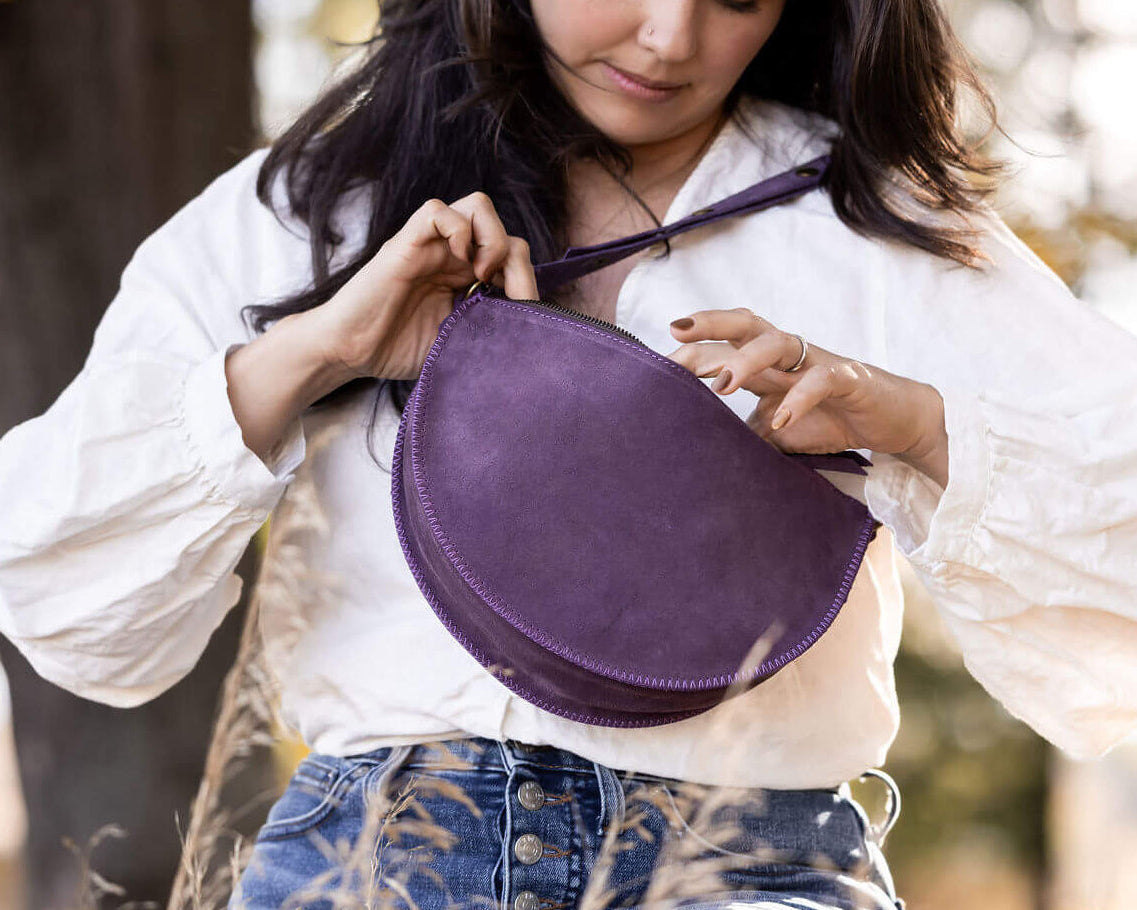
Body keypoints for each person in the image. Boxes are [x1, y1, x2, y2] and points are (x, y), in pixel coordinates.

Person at [2, 0, 1136, 908]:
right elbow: (57, 585)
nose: (670, 35)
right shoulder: (318, 203)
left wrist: (919, 426)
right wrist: (317, 348)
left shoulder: (877, 227)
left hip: (755, 869)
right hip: (375, 860)